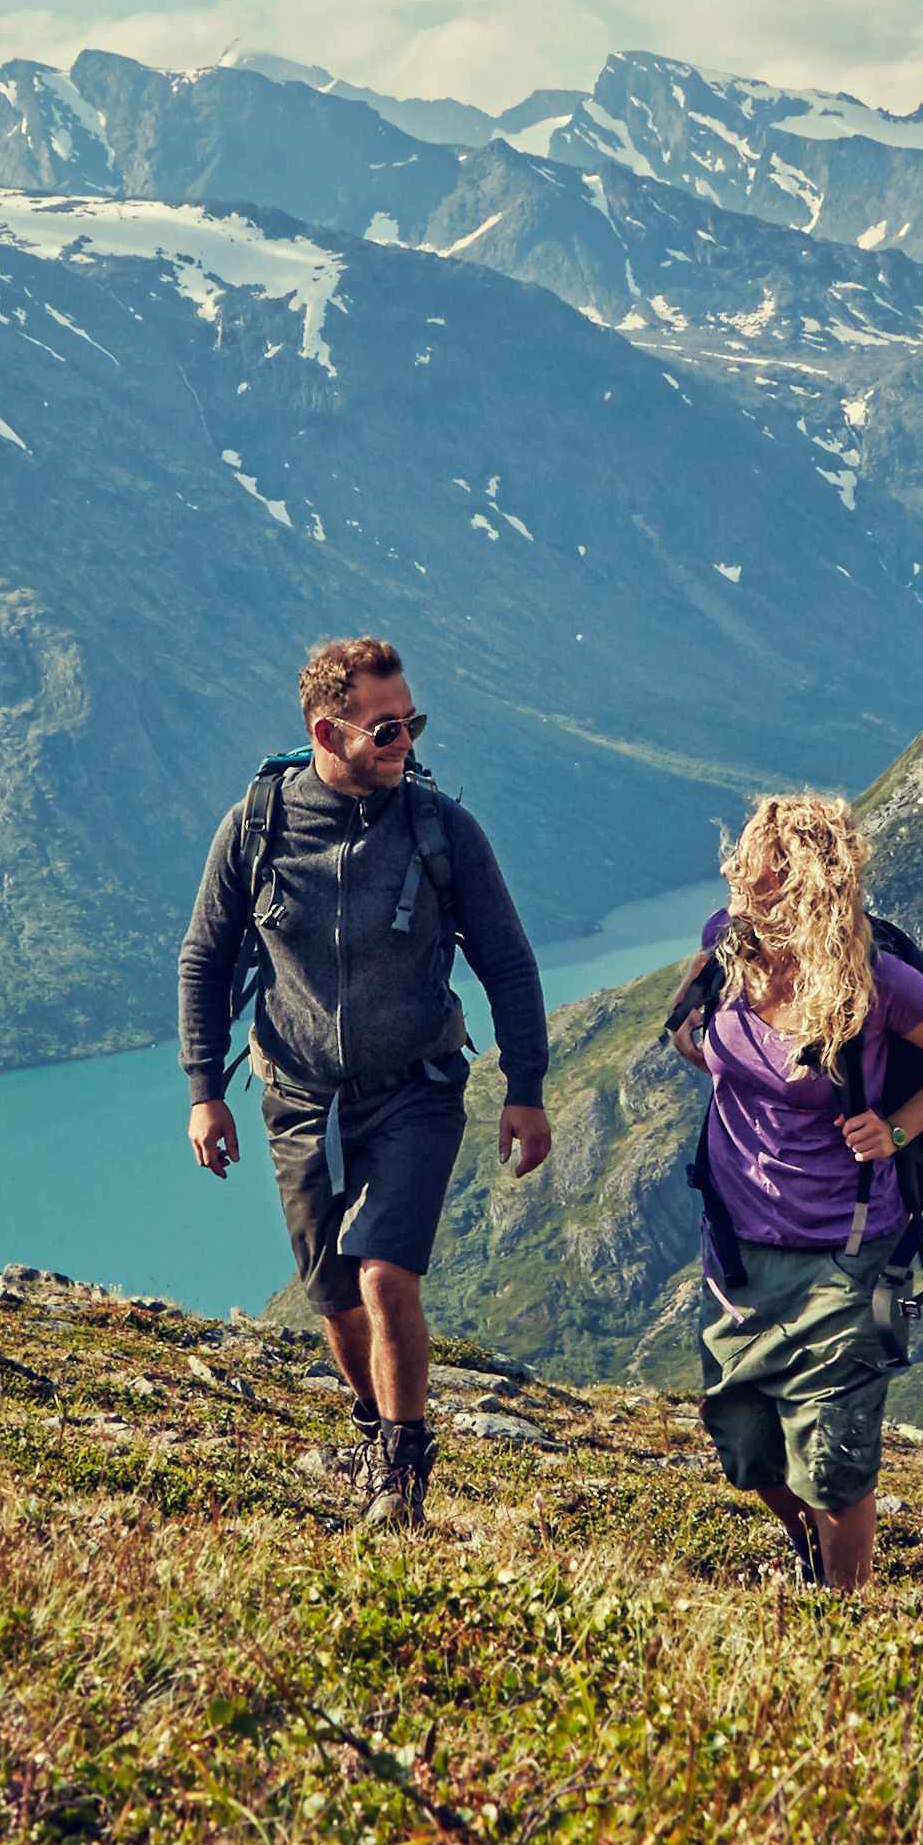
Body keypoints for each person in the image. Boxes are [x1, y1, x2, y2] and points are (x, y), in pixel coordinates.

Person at [176, 636, 554, 1527]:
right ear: (326, 729)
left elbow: (507, 960)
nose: (405, 743)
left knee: (385, 1276)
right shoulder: (257, 826)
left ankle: (401, 1468)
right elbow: (205, 956)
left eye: (412, 723)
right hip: (299, 1096)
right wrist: (203, 1088)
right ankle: (369, 1423)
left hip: (415, 1088)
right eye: (387, 728)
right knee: (336, 1300)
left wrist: (525, 1085)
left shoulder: (440, 831)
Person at [669, 793, 923, 1594]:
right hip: (736, 1248)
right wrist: (700, 1047)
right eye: (741, 877)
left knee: (834, 1456)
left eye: (766, 885)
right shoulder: (727, 944)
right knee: (743, 1441)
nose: (745, 897)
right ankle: (809, 1549)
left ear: (813, 889)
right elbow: (692, 1028)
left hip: (847, 1253)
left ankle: (841, 1612)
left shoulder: (878, 982)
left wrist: (898, 1128)